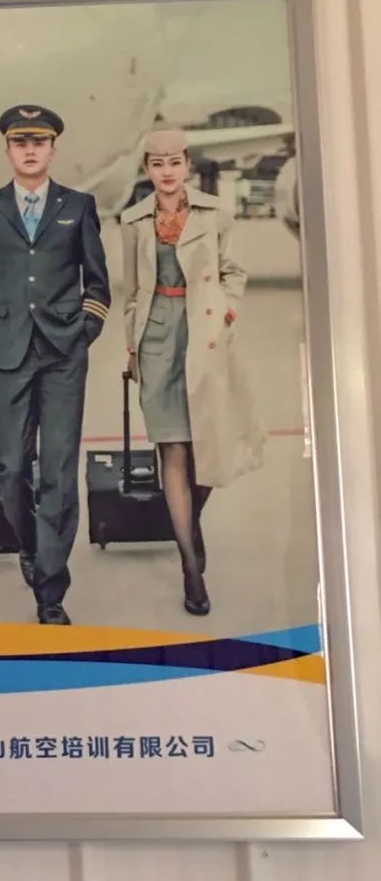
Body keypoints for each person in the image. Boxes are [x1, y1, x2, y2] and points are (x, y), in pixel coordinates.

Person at [0, 105, 111, 625]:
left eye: (39, 142)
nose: (29, 151)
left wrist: (83, 331)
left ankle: (50, 590)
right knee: (9, 468)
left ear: (53, 149)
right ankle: (29, 545)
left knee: (59, 470)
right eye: (20, 142)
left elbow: (98, 283)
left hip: (63, 353)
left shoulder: (79, 205)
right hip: (8, 350)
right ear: (8, 149)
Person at [121, 129, 264, 616]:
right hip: (156, 338)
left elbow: (234, 272)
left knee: (206, 446)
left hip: (205, 334)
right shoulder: (133, 221)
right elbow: (132, 291)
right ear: (147, 169)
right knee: (173, 447)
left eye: (175, 162)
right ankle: (190, 567)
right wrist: (132, 346)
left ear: (187, 165)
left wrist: (226, 312)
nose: (167, 171)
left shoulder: (215, 213)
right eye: (157, 163)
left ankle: (190, 523)